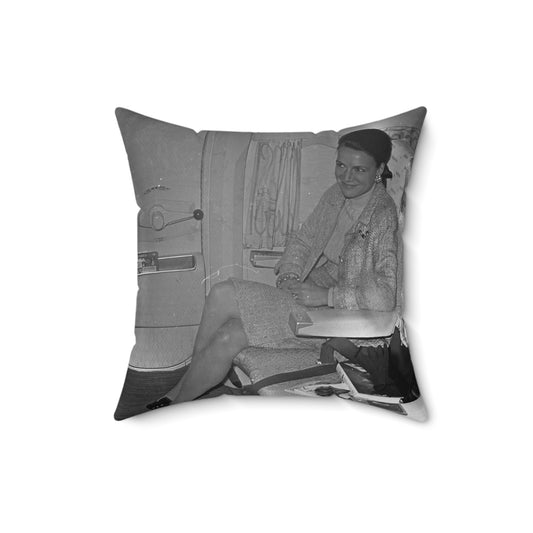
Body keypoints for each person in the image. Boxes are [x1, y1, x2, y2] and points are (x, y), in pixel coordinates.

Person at [147, 128, 399, 409]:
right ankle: (179, 398)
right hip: (311, 300)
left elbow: (385, 296)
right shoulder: (335, 196)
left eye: (359, 169)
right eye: (341, 165)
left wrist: (327, 296)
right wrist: (290, 274)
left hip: (339, 323)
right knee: (228, 333)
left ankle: (176, 399)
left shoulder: (382, 215)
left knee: (222, 294)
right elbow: (304, 240)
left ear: (379, 170)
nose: (346, 177)